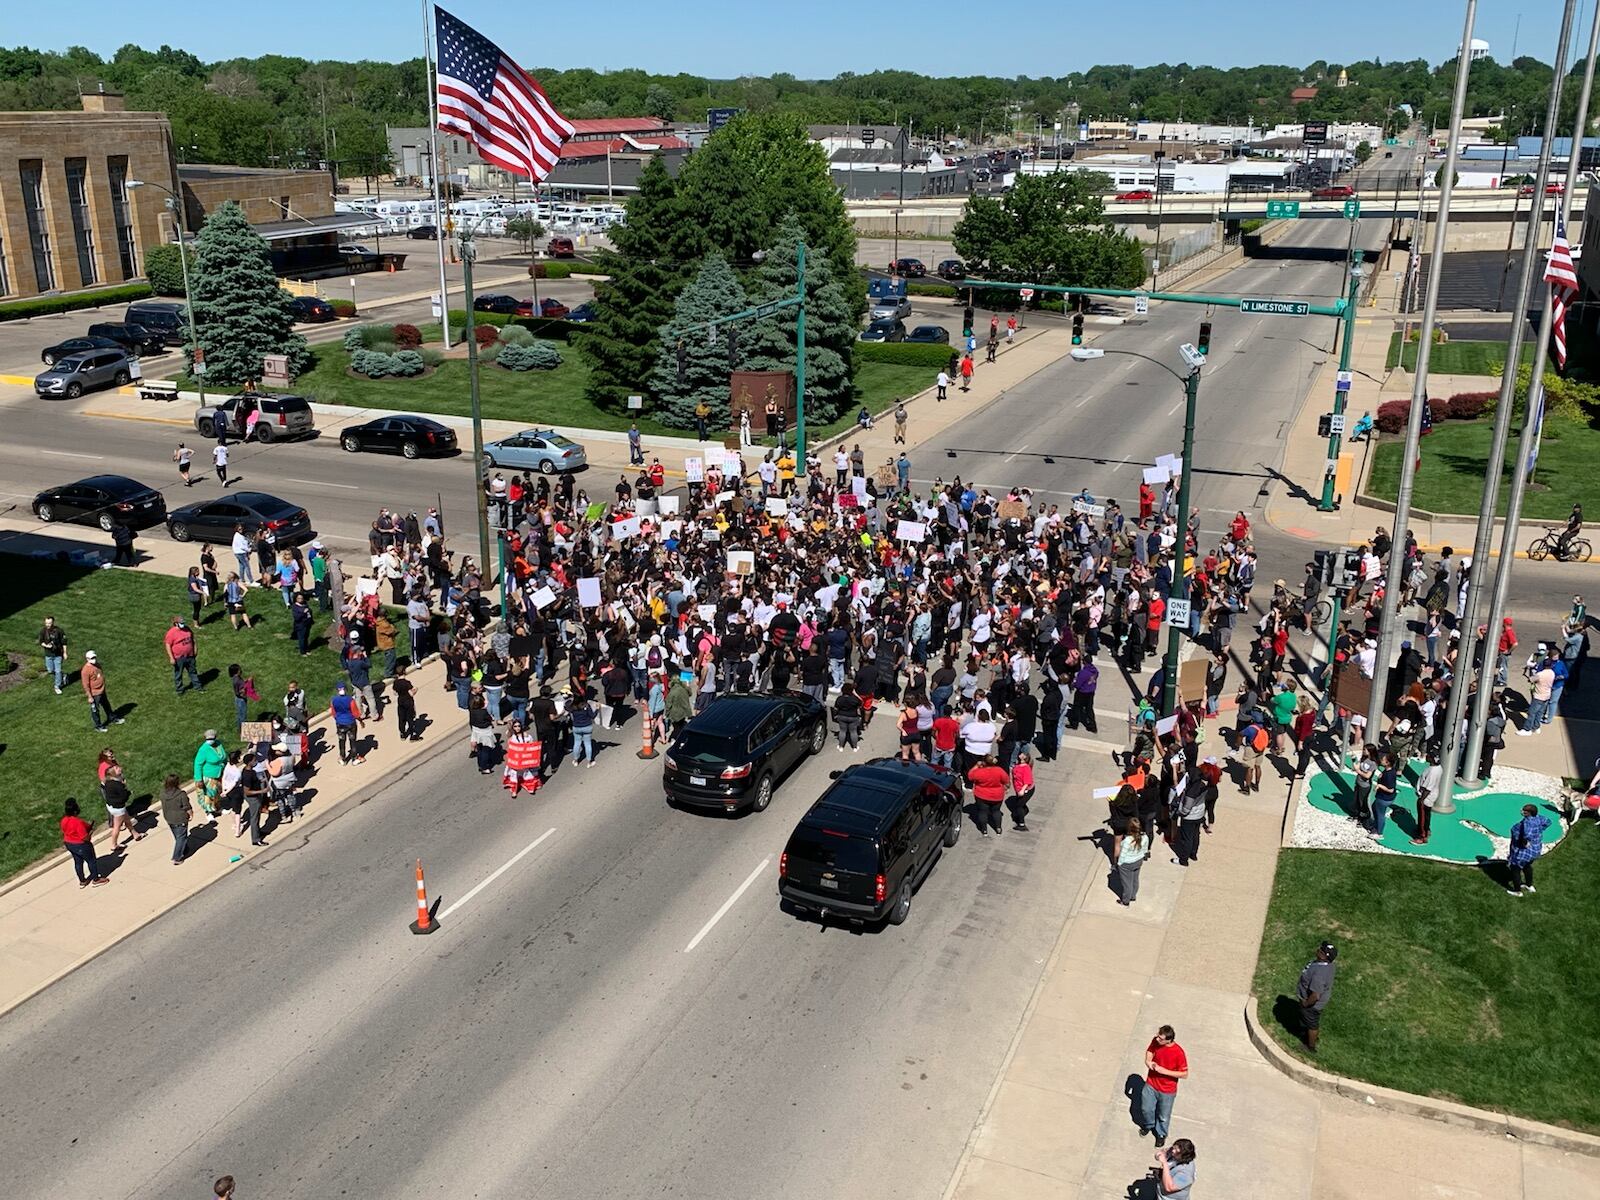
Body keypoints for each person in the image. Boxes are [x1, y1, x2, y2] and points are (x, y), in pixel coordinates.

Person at [1139, 1025, 1189, 1146]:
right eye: (1158, 1036)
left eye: (1161, 1039)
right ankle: (1149, 1125)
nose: (1157, 1039)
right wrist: (1148, 1062)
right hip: (1151, 1083)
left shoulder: (1178, 1053)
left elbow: (1184, 1074)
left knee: (1163, 1115)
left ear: (1169, 1040)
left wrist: (1163, 1071)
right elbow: (1150, 1051)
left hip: (1167, 1090)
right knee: (1146, 1108)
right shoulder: (1155, 1041)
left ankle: (1161, 1134)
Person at [1296, 941, 1337, 1052]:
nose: (1318, 949)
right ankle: (1306, 1032)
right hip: (1309, 1001)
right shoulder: (1328, 964)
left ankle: (1311, 1047)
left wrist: (1305, 1003)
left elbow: (1315, 995)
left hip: (1312, 1005)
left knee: (1312, 1025)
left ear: (1324, 956)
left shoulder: (1319, 975)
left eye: (1320, 950)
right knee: (1306, 1020)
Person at [1505, 803, 1552, 896]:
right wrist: (1540, 830)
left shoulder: (1527, 823)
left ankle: (1517, 891)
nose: (1522, 812)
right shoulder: (1539, 818)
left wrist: (1525, 841)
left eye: (1524, 811)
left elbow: (1527, 834)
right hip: (1535, 850)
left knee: (1515, 869)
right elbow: (1549, 822)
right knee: (1527, 866)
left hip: (1523, 852)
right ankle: (1529, 885)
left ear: (1529, 813)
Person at [60, 797, 108, 887]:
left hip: (69, 843)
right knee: (91, 861)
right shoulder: (77, 822)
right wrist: (91, 832)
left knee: (78, 862)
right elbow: (85, 838)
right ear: (75, 811)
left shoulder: (64, 820)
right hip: (81, 845)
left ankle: (82, 881)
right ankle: (96, 879)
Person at [968, 753, 1009, 837]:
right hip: (997, 796)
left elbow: (970, 776)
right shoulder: (999, 770)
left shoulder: (979, 772)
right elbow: (1006, 781)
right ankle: (998, 828)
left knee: (983, 812)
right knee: (996, 811)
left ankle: (984, 830)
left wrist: (976, 765)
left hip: (982, 795)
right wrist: (1007, 788)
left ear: (984, 763)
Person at [1113, 817, 1151, 905]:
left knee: (1127, 883)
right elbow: (1145, 850)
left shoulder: (1127, 841)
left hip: (1126, 864)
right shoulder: (1145, 837)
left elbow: (1122, 855)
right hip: (1138, 861)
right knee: (1135, 879)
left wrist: (1118, 864)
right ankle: (1133, 896)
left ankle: (1126, 901)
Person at [81, 650, 120, 732]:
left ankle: (112, 718)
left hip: (101, 691)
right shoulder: (85, 670)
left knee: (107, 705)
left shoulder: (97, 665)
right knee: (95, 710)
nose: (94, 659)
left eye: (94, 657)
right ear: (87, 659)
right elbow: (85, 684)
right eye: (92, 658)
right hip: (94, 694)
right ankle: (98, 726)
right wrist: (89, 696)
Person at [330, 683, 367, 765]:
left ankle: (342, 758)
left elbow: (333, 713)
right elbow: (355, 713)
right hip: (350, 723)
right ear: (345, 690)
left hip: (340, 724)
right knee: (352, 740)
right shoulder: (350, 700)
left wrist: (338, 719)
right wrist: (361, 721)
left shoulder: (334, 700)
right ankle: (354, 758)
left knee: (341, 741)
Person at [159, 772, 191, 866]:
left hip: (169, 818)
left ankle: (184, 849)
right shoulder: (181, 794)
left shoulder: (162, 794)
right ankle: (177, 857)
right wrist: (190, 814)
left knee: (177, 836)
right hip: (180, 819)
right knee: (181, 838)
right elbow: (186, 806)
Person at [165, 617, 202, 695]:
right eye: (181, 623)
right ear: (176, 623)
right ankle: (180, 690)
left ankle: (198, 687)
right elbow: (168, 645)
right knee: (178, 674)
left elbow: (193, 639)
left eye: (183, 623)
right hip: (179, 658)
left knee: (193, 672)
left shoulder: (187, 629)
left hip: (190, 656)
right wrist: (171, 658)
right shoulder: (171, 633)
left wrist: (195, 649)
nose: (183, 625)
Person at [1412, 758, 1443, 845]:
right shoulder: (1438, 767)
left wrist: (1422, 799)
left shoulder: (1432, 772)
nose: (1427, 756)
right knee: (1426, 816)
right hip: (1429, 796)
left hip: (1426, 798)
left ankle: (1422, 837)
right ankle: (1425, 830)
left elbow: (1428, 788)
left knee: (1423, 817)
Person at [1369, 751, 1397, 840]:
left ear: (1387, 763)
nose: (1381, 760)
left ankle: (1379, 833)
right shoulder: (1389, 770)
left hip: (1384, 798)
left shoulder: (1389, 775)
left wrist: (1380, 785)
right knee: (1374, 808)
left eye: (1383, 759)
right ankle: (1376, 826)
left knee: (1380, 814)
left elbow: (1390, 789)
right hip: (1383, 797)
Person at [1008, 751, 1035, 831]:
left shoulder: (1026, 768)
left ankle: (1022, 824)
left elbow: (1027, 781)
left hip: (1026, 790)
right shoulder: (1018, 765)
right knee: (1020, 804)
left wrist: (1022, 790)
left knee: (1019, 806)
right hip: (1019, 789)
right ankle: (1023, 812)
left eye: (1022, 754)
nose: (1020, 755)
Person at [38, 615, 66, 694]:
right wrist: (46, 645)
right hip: (48, 654)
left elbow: (64, 642)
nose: (48, 625)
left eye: (49, 623)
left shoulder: (59, 631)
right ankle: (62, 676)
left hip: (58, 655)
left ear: (53, 622)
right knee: (50, 670)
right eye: (46, 623)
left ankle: (57, 686)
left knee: (58, 670)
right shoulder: (43, 631)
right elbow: (41, 642)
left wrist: (65, 652)